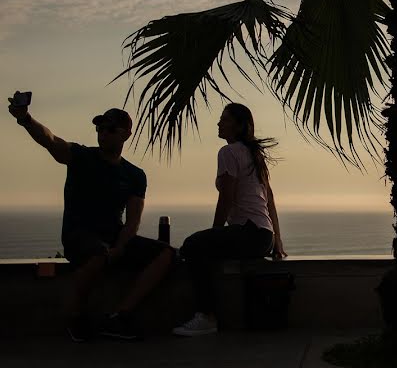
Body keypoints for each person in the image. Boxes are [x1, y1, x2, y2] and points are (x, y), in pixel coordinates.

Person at [7, 95, 175, 342]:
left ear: (126, 134)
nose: (102, 133)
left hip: (113, 237)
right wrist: (25, 119)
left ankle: (120, 316)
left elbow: (133, 220)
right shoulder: (81, 157)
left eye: (109, 129)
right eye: (99, 128)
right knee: (99, 254)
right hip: (80, 235)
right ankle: (74, 317)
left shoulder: (134, 175)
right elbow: (50, 140)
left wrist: (120, 247)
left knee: (167, 254)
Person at [173, 103, 287, 336]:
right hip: (263, 237)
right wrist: (277, 241)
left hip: (248, 234)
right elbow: (270, 200)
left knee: (192, 246)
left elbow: (226, 197)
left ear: (238, 125)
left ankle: (206, 316)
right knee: (203, 250)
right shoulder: (254, 155)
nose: (219, 123)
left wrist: (214, 232)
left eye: (224, 119)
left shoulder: (229, 152)